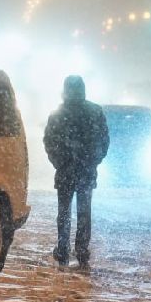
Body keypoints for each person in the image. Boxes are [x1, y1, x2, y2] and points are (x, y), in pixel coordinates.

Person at [44, 75, 109, 268]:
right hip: (86, 171)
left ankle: (63, 249)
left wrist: (60, 162)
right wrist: (92, 161)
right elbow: (104, 141)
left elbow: (49, 142)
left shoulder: (57, 114)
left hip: (65, 171)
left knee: (64, 212)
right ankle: (81, 250)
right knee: (83, 212)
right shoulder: (95, 112)